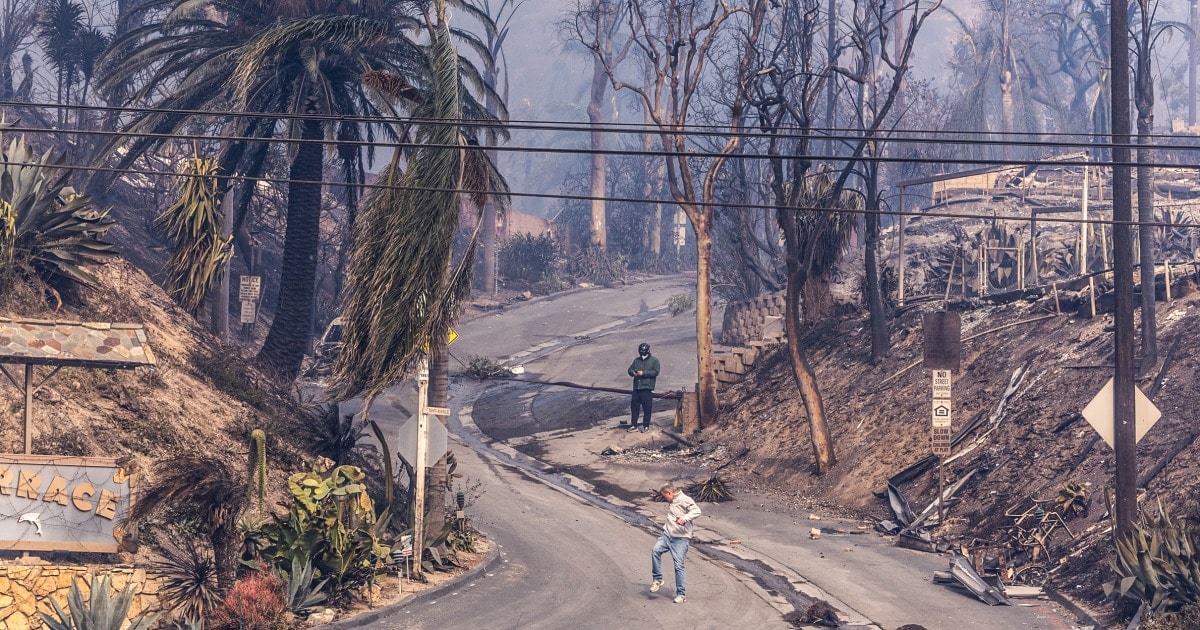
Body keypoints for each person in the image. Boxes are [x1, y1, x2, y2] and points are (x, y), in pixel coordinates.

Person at [650, 481, 701, 603]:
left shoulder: (684, 499)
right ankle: (658, 580)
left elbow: (697, 511)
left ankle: (681, 595)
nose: (664, 498)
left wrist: (685, 518)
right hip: (667, 535)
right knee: (655, 551)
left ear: (670, 492)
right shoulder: (672, 500)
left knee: (679, 566)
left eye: (664, 496)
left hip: (681, 538)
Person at [627, 342, 660, 433]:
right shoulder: (636, 360)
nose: (642, 353)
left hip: (647, 388)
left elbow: (656, 372)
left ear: (648, 351)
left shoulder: (654, 361)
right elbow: (630, 369)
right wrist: (632, 372)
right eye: (641, 351)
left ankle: (646, 425)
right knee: (634, 407)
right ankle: (634, 425)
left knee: (647, 408)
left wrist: (644, 373)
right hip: (637, 388)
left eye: (643, 351)